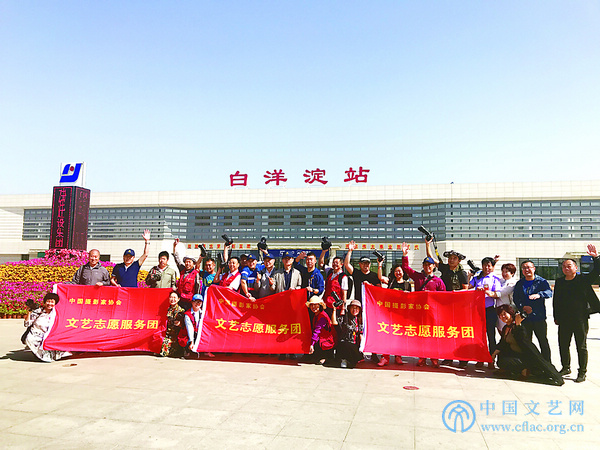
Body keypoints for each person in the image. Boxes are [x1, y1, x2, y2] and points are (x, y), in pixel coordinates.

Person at [553, 244, 600, 383]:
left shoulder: (583, 280)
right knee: (563, 344)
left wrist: (596, 257)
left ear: (575, 267)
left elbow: (597, 271)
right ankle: (566, 367)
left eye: (569, 266)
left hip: (580, 318)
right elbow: (556, 301)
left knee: (581, 346)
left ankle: (582, 372)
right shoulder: (560, 282)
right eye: (564, 266)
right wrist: (556, 317)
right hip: (564, 319)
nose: (566, 268)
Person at [492, 305, 563, 386]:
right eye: (500, 315)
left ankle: (525, 370)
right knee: (501, 359)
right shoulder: (506, 328)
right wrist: (494, 354)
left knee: (543, 364)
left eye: (505, 314)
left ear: (511, 313)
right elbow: (502, 343)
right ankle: (512, 370)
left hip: (526, 356)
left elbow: (523, 340)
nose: (503, 317)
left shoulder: (520, 326)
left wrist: (518, 324)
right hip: (516, 355)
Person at [401, 242, 446, 367]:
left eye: (429, 265)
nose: (427, 267)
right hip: (419, 312)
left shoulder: (438, 281)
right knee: (421, 335)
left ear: (433, 266)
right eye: (425, 265)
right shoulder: (418, 277)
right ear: (423, 266)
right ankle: (422, 357)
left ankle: (434, 358)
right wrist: (404, 255)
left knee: (433, 335)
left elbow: (444, 297)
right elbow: (406, 268)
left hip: (433, 313)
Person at [512, 260, 552, 362]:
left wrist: (539, 294)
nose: (527, 270)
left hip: (539, 317)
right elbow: (516, 298)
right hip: (525, 318)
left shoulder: (541, 281)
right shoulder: (520, 283)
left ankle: (547, 363)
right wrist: (522, 307)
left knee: (543, 341)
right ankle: (529, 363)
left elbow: (549, 292)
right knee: (526, 342)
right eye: (524, 268)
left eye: (529, 267)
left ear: (534, 269)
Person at [469, 256, 503, 367]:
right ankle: (480, 358)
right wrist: (469, 277)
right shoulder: (477, 277)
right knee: (479, 336)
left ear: (493, 267)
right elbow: (468, 287)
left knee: (491, 335)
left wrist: (487, 292)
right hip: (477, 310)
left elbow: (497, 294)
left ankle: (491, 359)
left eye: (489, 265)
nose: (486, 268)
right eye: (484, 265)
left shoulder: (495, 279)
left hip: (489, 310)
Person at [376, 262, 411, 366]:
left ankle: (398, 356)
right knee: (387, 335)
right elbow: (380, 277)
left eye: (400, 271)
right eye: (396, 271)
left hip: (401, 315)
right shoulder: (390, 282)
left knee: (398, 336)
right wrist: (380, 265)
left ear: (403, 272)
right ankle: (385, 357)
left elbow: (410, 299)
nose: (398, 273)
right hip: (389, 313)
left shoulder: (407, 284)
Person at [23, 293, 72, 362]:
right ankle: (39, 355)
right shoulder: (38, 312)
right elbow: (26, 324)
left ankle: (54, 356)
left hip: (49, 334)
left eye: (52, 302)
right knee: (32, 339)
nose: (50, 304)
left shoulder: (56, 313)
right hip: (36, 333)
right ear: (44, 302)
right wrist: (29, 313)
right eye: (48, 301)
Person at [180, 294, 214, 359]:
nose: (197, 304)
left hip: (200, 333)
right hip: (190, 334)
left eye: (199, 302)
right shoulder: (187, 314)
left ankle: (206, 351)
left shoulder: (204, 313)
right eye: (195, 301)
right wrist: (191, 342)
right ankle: (188, 351)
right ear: (192, 302)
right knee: (186, 341)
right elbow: (190, 328)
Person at [172, 239, 202, 310]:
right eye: (186, 262)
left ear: (193, 263)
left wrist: (196, 300)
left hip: (190, 301)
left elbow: (197, 287)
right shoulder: (182, 269)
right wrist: (174, 246)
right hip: (180, 300)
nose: (187, 264)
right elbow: (177, 259)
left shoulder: (195, 273)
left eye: (189, 262)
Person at [332, 300, 363, 368]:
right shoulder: (345, 317)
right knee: (346, 344)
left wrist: (362, 346)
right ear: (349, 308)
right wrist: (334, 310)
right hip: (344, 344)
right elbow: (334, 322)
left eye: (357, 308)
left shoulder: (360, 320)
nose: (355, 310)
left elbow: (360, 333)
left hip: (354, 345)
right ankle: (343, 360)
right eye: (353, 308)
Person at [319, 249, 349, 318]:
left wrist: (343, 309)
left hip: (336, 306)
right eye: (333, 262)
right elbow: (320, 264)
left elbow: (344, 294)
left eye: (337, 263)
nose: (334, 264)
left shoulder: (343, 277)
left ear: (341, 264)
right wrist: (323, 252)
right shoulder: (329, 271)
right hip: (326, 304)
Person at [306, 296, 335, 365]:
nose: (313, 307)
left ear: (320, 306)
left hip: (326, 340)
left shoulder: (322, 317)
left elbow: (317, 331)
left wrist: (312, 344)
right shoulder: (316, 315)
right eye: (312, 305)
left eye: (316, 305)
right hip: (321, 338)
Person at [492, 263, 517, 332]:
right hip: (499, 309)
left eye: (506, 272)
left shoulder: (512, 283)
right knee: (500, 328)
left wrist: (488, 292)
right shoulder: (502, 281)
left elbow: (500, 293)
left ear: (512, 273)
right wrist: (494, 263)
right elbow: (493, 276)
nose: (504, 273)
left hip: (507, 310)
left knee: (507, 329)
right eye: (503, 271)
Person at [160, 291, 185, 357]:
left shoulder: (181, 311)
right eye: (171, 297)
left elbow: (185, 326)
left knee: (164, 352)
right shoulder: (167, 309)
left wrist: (180, 324)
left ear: (178, 299)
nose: (172, 299)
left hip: (176, 336)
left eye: (174, 297)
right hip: (166, 334)